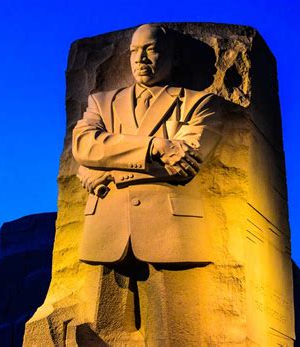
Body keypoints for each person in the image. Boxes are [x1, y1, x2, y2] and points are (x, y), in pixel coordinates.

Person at [72, 24, 225, 344]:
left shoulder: (200, 103)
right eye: (134, 52)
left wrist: (106, 168)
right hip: (107, 226)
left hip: (169, 228)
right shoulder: (101, 101)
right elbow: (84, 147)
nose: (140, 59)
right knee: (102, 332)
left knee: (174, 332)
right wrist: (155, 148)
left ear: (173, 56)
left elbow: (186, 163)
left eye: (151, 50)